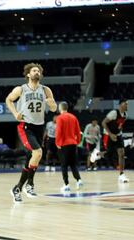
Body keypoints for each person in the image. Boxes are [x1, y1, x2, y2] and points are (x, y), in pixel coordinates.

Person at [6, 63, 57, 203]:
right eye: (34, 71)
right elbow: (8, 100)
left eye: (39, 71)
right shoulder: (21, 89)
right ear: (28, 74)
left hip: (39, 128)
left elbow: (53, 109)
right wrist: (15, 113)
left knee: (31, 160)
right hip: (25, 126)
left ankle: (17, 188)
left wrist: (51, 103)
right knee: (38, 153)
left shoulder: (46, 90)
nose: (37, 72)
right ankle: (30, 184)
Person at [55, 102, 83, 193]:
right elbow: (78, 131)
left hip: (64, 144)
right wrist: (77, 141)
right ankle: (79, 180)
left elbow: (59, 131)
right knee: (73, 164)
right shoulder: (73, 117)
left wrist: (57, 142)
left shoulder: (60, 118)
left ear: (60, 108)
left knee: (64, 165)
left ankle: (66, 185)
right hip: (73, 144)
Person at [101, 99, 129, 183]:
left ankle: (121, 174)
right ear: (120, 105)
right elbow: (103, 123)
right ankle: (98, 154)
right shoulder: (113, 113)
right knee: (109, 153)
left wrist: (119, 133)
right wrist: (110, 134)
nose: (127, 106)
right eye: (125, 104)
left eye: (127, 104)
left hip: (118, 135)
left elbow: (120, 125)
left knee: (121, 153)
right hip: (108, 135)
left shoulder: (125, 115)